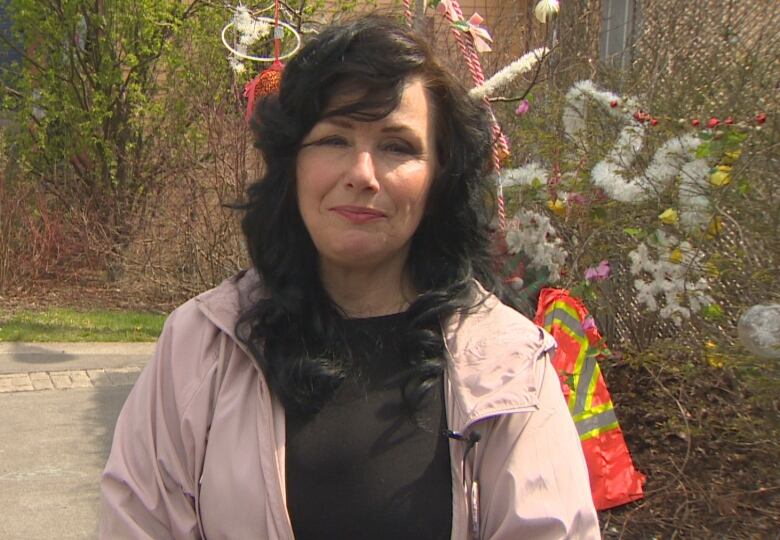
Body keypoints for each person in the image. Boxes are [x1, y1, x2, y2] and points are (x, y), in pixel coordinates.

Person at [100, 15, 600, 539]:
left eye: (397, 146)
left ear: (438, 180)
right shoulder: (202, 346)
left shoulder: (510, 366)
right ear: (291, 164)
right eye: (334, 139)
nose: (361, 173)